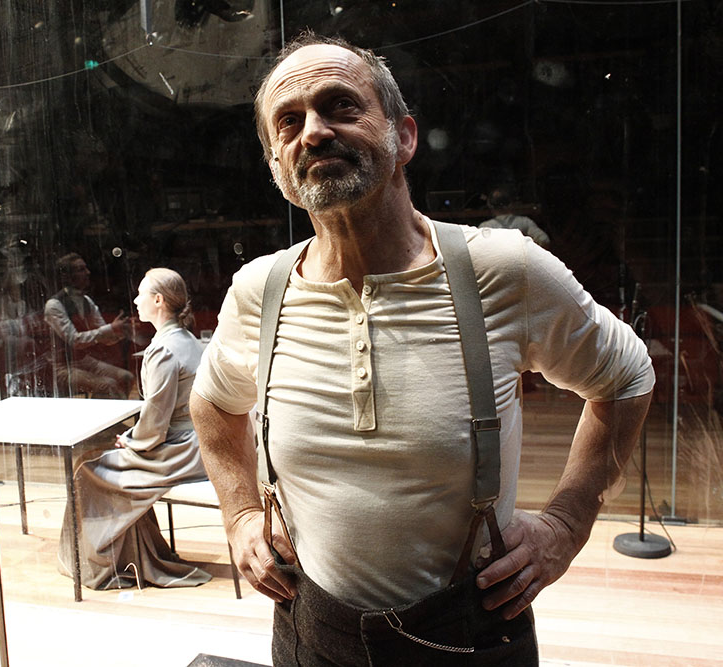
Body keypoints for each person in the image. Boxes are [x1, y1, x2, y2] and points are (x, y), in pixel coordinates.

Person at [190, 33, 654, 665]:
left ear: (404, 136)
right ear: (277, 169)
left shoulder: (503, 270)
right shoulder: (259, 292)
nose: (316, 132)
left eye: (342, 107)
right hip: (309, 627)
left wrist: (567, 525)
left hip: (470, 628)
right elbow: (213, 405)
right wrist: (242, 514)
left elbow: (626, 377)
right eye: (289, 122)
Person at [57, 268, 211, 590]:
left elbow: (155, 423)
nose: (136, 300)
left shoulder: (164, 350)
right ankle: (134, 556)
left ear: (158, 300)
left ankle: (101, 563)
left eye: (142, 293)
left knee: (87, 470)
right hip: (194, 444)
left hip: (179, 449)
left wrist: (131, 440)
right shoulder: (188, 341)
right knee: (100, 466)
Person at [44, 252, 134, 398]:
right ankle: (107, 419)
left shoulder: (86, 301)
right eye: (81, 269)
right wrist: (111, 328)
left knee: (126, 377)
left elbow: (104, 336)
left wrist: (119, 332)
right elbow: (75, 340)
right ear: (66, 276)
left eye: (85, 268)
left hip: (85, 361)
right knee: (107, 384)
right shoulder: (54, 305)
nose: (88, 273)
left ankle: (113, 419)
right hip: (62, 367)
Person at [478, 185, 551, 249]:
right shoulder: (525, 222)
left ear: (490, 206)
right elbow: (544, 240)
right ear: (511, 204)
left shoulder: (485, 226)